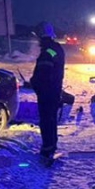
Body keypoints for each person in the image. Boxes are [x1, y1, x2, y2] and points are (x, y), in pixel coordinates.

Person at [29, 22, 65, 166]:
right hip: (54, 91)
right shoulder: (57, 49)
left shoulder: (46, 53)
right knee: (51, 120)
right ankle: (51, 147)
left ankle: (47, 150)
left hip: (46, 93)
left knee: (46, 121)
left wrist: (33, 82)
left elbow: (43, 75)